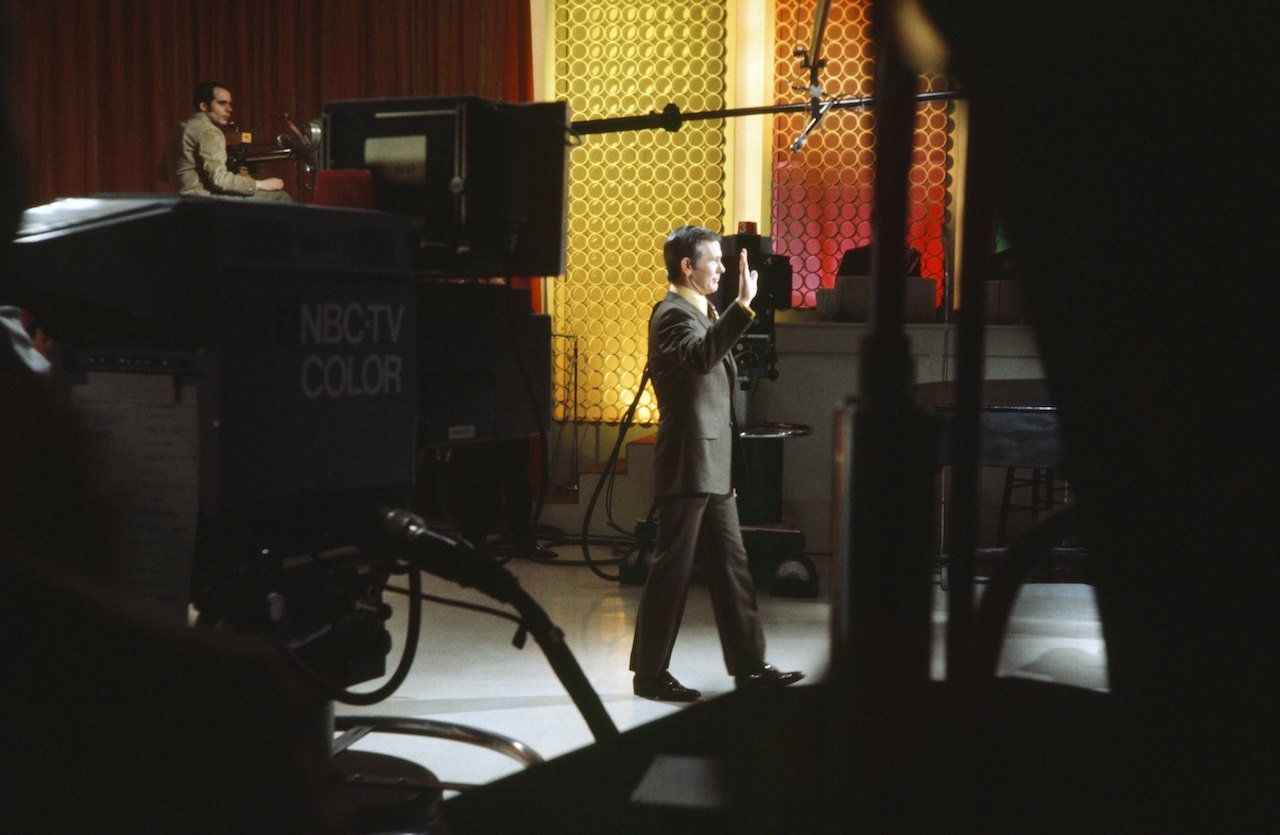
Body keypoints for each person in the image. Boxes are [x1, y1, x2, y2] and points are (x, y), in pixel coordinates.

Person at [629, 225, 803, 701]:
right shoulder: (671, 316)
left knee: (733, 569)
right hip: (688, 464)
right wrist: (743, 304)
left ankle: (750, 666)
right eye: (715, 261)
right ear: (688, 266)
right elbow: (702, 357)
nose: (723, 269)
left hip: (713, 467)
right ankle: (649, 674)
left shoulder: (701, 313)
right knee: (672, 572)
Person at [162, 81, 291, 200]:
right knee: (280, 197)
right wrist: (261, 184)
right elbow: (220, 180)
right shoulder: (209, 131)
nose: (229, 109)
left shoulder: (180, 129)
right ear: (204, 106)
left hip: (181, 199)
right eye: (222, 103)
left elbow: (163, 172)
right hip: (205, 200)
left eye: (229, 104)